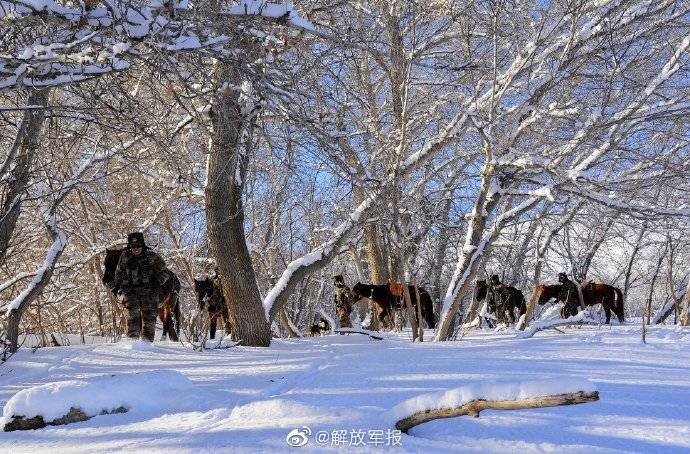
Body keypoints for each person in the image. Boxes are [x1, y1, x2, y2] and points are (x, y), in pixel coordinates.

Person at [109, 232, 169, 342]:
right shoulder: (125, 256)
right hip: (130, 293)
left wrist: (157, 282)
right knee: (132, 320)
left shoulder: (152, 256)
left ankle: (147, 347)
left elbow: (165, 273)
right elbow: (119, 273)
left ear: (142, 245)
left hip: (149, 293)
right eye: (133, 246)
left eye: (138, 246)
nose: (135, 249)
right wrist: (116, 288)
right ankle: (133, 346)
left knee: (149, 321)